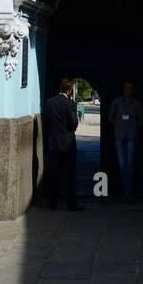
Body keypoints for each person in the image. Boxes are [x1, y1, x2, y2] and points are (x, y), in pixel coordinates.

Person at [43, 78, 82, 212]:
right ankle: (71, 204)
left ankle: (52, 202)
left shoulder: (49, 102)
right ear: (69, 90)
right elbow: (73, 123)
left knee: (54, 172)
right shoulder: (69, 103)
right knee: (70, 174)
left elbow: (46, 122)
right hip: (67, 143)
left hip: (53, 143)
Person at [109, 81, 143, 201]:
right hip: (119, 135)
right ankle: (126, 192)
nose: (127, 90)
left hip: (131, 136)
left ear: (132, 90)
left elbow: (141, 119)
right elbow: (111, 116)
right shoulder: (117, 102)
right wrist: (118, 125)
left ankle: (127, 192)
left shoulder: (136, 104)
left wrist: (134, 126)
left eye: (129, 88)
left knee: (129, 164)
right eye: (125, 88)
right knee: (121, 165)